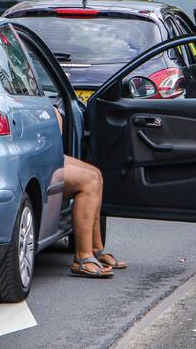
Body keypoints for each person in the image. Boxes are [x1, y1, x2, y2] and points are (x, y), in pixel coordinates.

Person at [54, 107, 126, 278]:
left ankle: (96, 249)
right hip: (36, 160)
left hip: (46, 155)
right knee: (89, 181)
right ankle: (82, 258)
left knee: (95, 174)